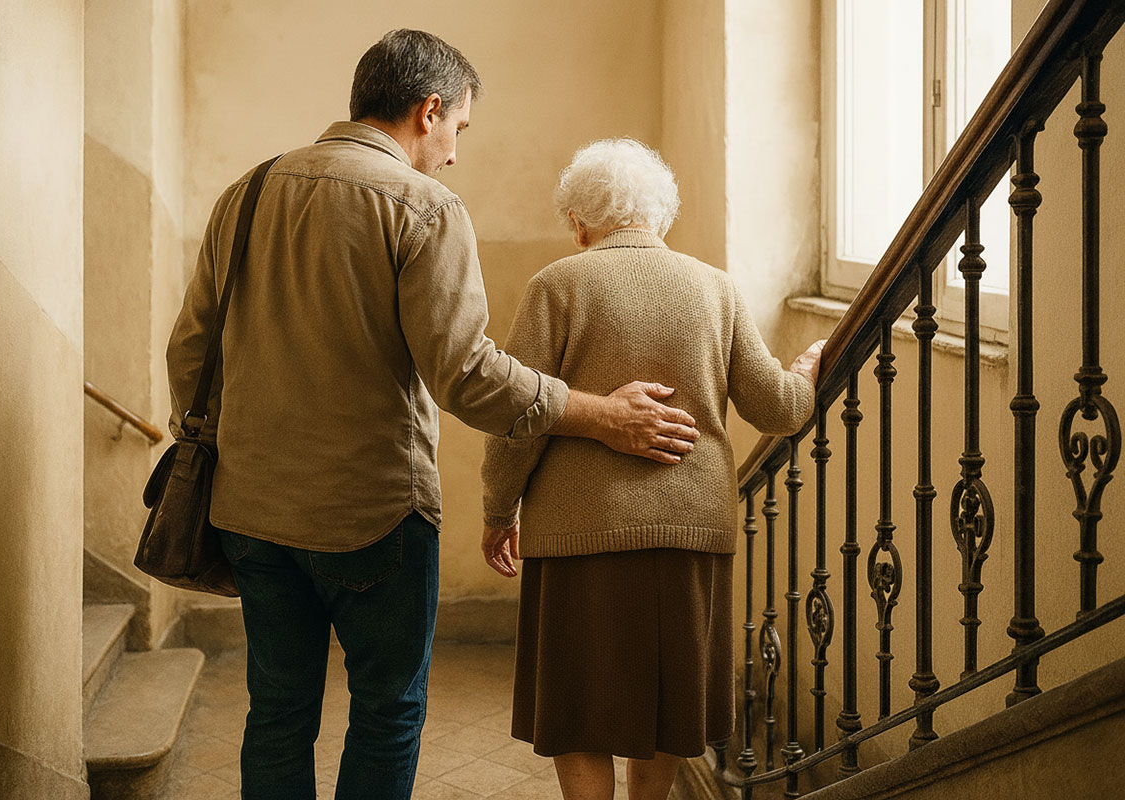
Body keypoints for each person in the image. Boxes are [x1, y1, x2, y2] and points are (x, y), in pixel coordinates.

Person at [166, 32, 702, 800]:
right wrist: (599, 415)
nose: (453, 153)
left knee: (277, 714)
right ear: (429, 111)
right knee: (386, 713)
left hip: (250, 512)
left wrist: (240, 446)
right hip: (375, 516)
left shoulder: (246, 193)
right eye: (458, 130)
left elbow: (189, 354)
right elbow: (468, 375)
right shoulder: (424, 206)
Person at [481, 138, 824, 800]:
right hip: (688, 536)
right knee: (666, 709)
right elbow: (778, 409)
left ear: (581, 222)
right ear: (659, 215)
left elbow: (517, 418)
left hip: (580, 534)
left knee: (578, 716)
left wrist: (499, 513)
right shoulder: (714, 288)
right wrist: (804, 372)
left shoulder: (558, 284)